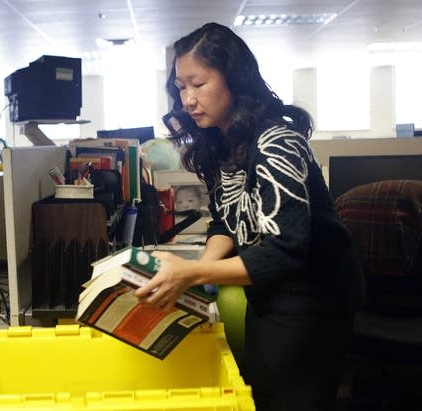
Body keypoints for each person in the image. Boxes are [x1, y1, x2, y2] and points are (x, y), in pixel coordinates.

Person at [135, 23, 365, 411]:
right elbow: (226, 220)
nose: (188, 99)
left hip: (314, 296)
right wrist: (202, 270)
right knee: (260, 391)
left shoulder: (278, 142)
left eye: (198, 84)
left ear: (234, 80)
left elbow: (285, 248)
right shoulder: (224, 143)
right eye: (181, 87)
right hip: (268, 290)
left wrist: (192, 273)